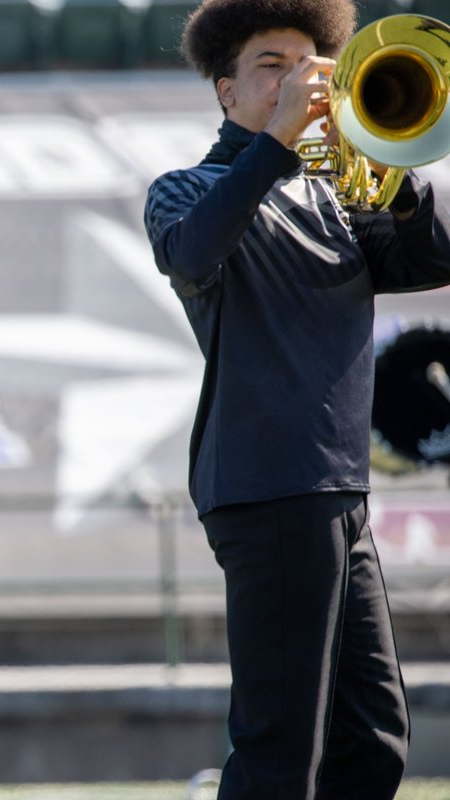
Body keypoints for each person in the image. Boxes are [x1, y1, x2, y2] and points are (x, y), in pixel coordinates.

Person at [142, 2, 450, 798]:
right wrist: (278, 140)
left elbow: (430, 259)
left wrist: (394, 164)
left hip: (337, 491)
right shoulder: (187, 190)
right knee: (280, 748)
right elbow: (194, 250)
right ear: (225, 92)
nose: (298, 81)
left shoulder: (336, 194)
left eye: (312, 65)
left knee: (374, 740)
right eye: (272, 67)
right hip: (267, 483)